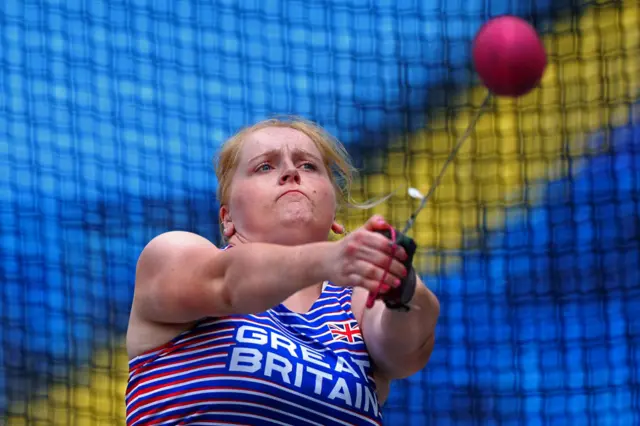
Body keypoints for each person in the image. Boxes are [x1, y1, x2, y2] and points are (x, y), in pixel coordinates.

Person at [124, 117, 440, 425]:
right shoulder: (173, 255)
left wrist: (402, 285)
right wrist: (331, 257)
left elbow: (406, 353)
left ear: (333, 214)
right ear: (227, 218)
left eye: (308, 166)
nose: (291, 172)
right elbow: (230, 283)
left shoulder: (356, 303)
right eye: (265, 166)